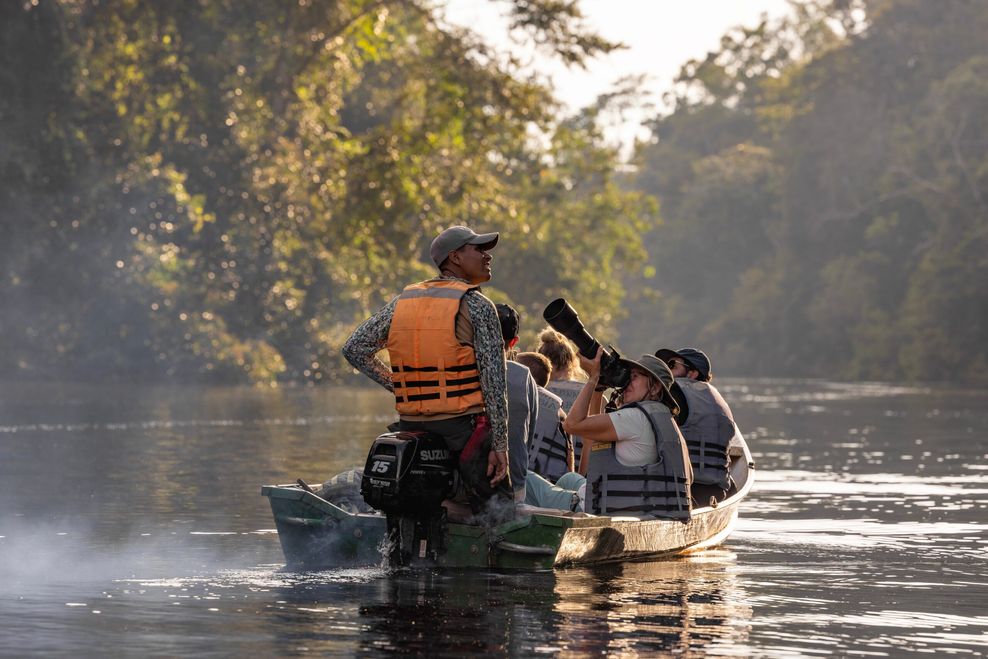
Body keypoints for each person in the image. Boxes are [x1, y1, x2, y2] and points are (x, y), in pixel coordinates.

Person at [341, 225, 513, 516]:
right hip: (464, 429)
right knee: (500, 513)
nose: (487, 256)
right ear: (455, 257)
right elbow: (494, 384)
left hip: (411, 428)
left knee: (416, 506)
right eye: (479, 249)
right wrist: (500, 445)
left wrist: (399, 385)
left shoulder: (403, 302)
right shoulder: (479, 305)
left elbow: (355, 348)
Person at [526, 348, 693, 520]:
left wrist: (592, 378)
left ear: (656, 387)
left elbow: (571, 424)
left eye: (635, 377)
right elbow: (593, 437)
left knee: (525, 478)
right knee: (569, 478)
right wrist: (599, 389)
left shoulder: (634, 417)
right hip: (639, 507)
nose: (627, 382)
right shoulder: (666, 421)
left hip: (603, 510)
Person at [655, 347, 739, 501]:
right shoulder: (718, 400)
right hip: (717, 490)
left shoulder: (673, 392)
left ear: (692, 373)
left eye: (672, 365)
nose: (667, 371)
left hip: (682, 491)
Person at [496, 303, 538, 503]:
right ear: (513, 342)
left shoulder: (462, 371)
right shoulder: (523, 375)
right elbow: (528, 436)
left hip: (468, 479)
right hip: (514, 480)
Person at [515, 351, 573, 482]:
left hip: (514, 477)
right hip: (547, 483)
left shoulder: (512, 396)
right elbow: (570, 456)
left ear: (528, 376)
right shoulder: (560, 412)